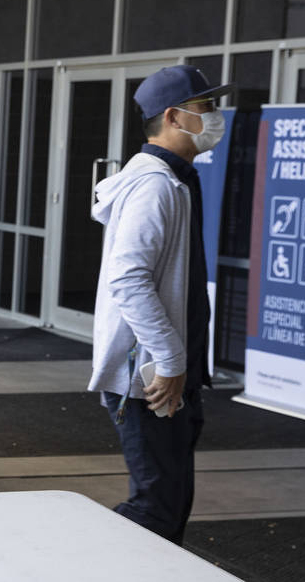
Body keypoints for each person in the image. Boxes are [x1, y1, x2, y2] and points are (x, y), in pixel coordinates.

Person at [89, 65, 233, 545]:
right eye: (206, 107)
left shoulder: (174, 179)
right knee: (156, 509)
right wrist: (170, 359)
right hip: (149, 378)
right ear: (174, 116)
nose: (216, 116)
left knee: (169, 505)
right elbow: (127, 278)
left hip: (168, 373)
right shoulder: (154, 186)